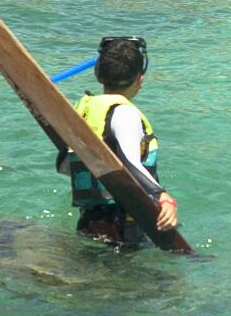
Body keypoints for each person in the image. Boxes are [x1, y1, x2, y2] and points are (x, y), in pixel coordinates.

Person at [61, 35, 180, 250]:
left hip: (90, 221)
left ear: (98, 75)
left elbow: (65, 165)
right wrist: (162, 197)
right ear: (140, 79)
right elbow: (129, 164)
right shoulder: (124, 113)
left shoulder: (85, 109)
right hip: (125, 226)